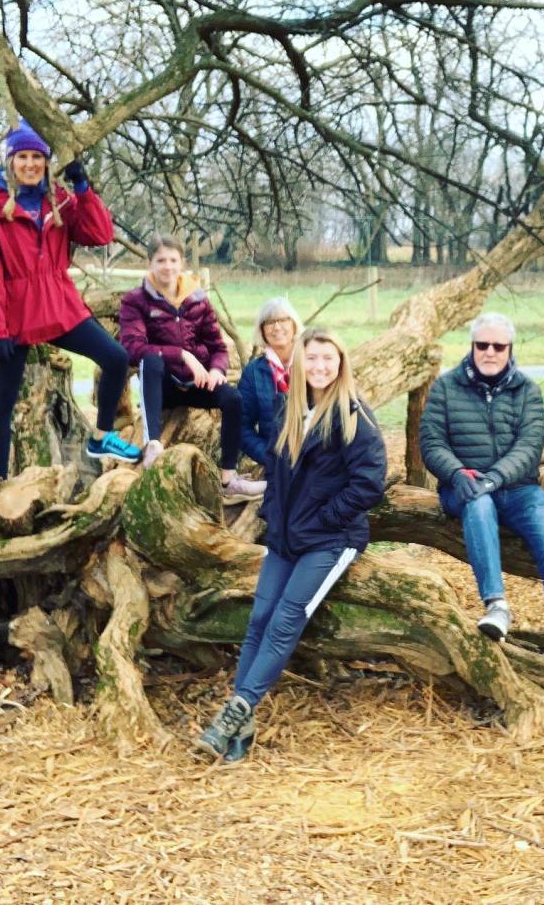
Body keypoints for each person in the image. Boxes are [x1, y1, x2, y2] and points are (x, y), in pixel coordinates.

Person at [197, 326, 387, 761]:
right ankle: (242, 722)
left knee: (285, 620)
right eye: (312, 358)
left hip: (331, 541)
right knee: (259, 618)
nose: (320, 366)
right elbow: (278, 471)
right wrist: (274, 517)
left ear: (340, 363)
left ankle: (234, 712)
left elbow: (369, 483)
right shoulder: (289, 407)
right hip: (286, 538)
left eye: (328, 358)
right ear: (299, 363)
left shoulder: (354, 415)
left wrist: (324, 519)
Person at [0, 119, 141, 482]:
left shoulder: (58, 199)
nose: (30, 164)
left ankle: (101, 437)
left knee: (116, 358)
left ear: (47, 162)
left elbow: (100, 233)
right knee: (4, 400)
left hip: (58, 304)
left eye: (37, 157)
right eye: (22, 157)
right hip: (14, 314)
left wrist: (83, 187)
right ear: (11, 161)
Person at [419, 312, 544, 672]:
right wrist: (456, 473)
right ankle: (497, 606)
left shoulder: (527, 391)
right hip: (463, 487)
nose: (490, 352)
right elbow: (432, 443)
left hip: (518, 489)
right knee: (478, 503)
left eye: (499, 346)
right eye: (482, 344)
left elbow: (529, 447)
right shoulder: (446, 387)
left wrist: (495, 477)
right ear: (472, 346)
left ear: (510, 349)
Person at [118, 235, 263, 496]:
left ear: (182, 262)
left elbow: (218, 346)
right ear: (150, 263)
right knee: (151, 360)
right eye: (161, 260)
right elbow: (132, 348)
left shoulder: (197, 299)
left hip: (196, 383)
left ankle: (229, 479)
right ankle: (153, 445)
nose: (168, 266)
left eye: (173, 260)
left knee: (233, 398)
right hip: (162, 386)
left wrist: (217, 370)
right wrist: (182, 355)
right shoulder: (135, 300)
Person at [238, 297, 302, 466]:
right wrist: (269, 457)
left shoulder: (312, 361)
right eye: (270, 322)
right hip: (277, 461)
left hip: (318, 460)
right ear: (262, 330)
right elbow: (242, 428)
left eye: (283, 320)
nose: (277, 327)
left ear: (294, 325)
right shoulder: (253, 372)